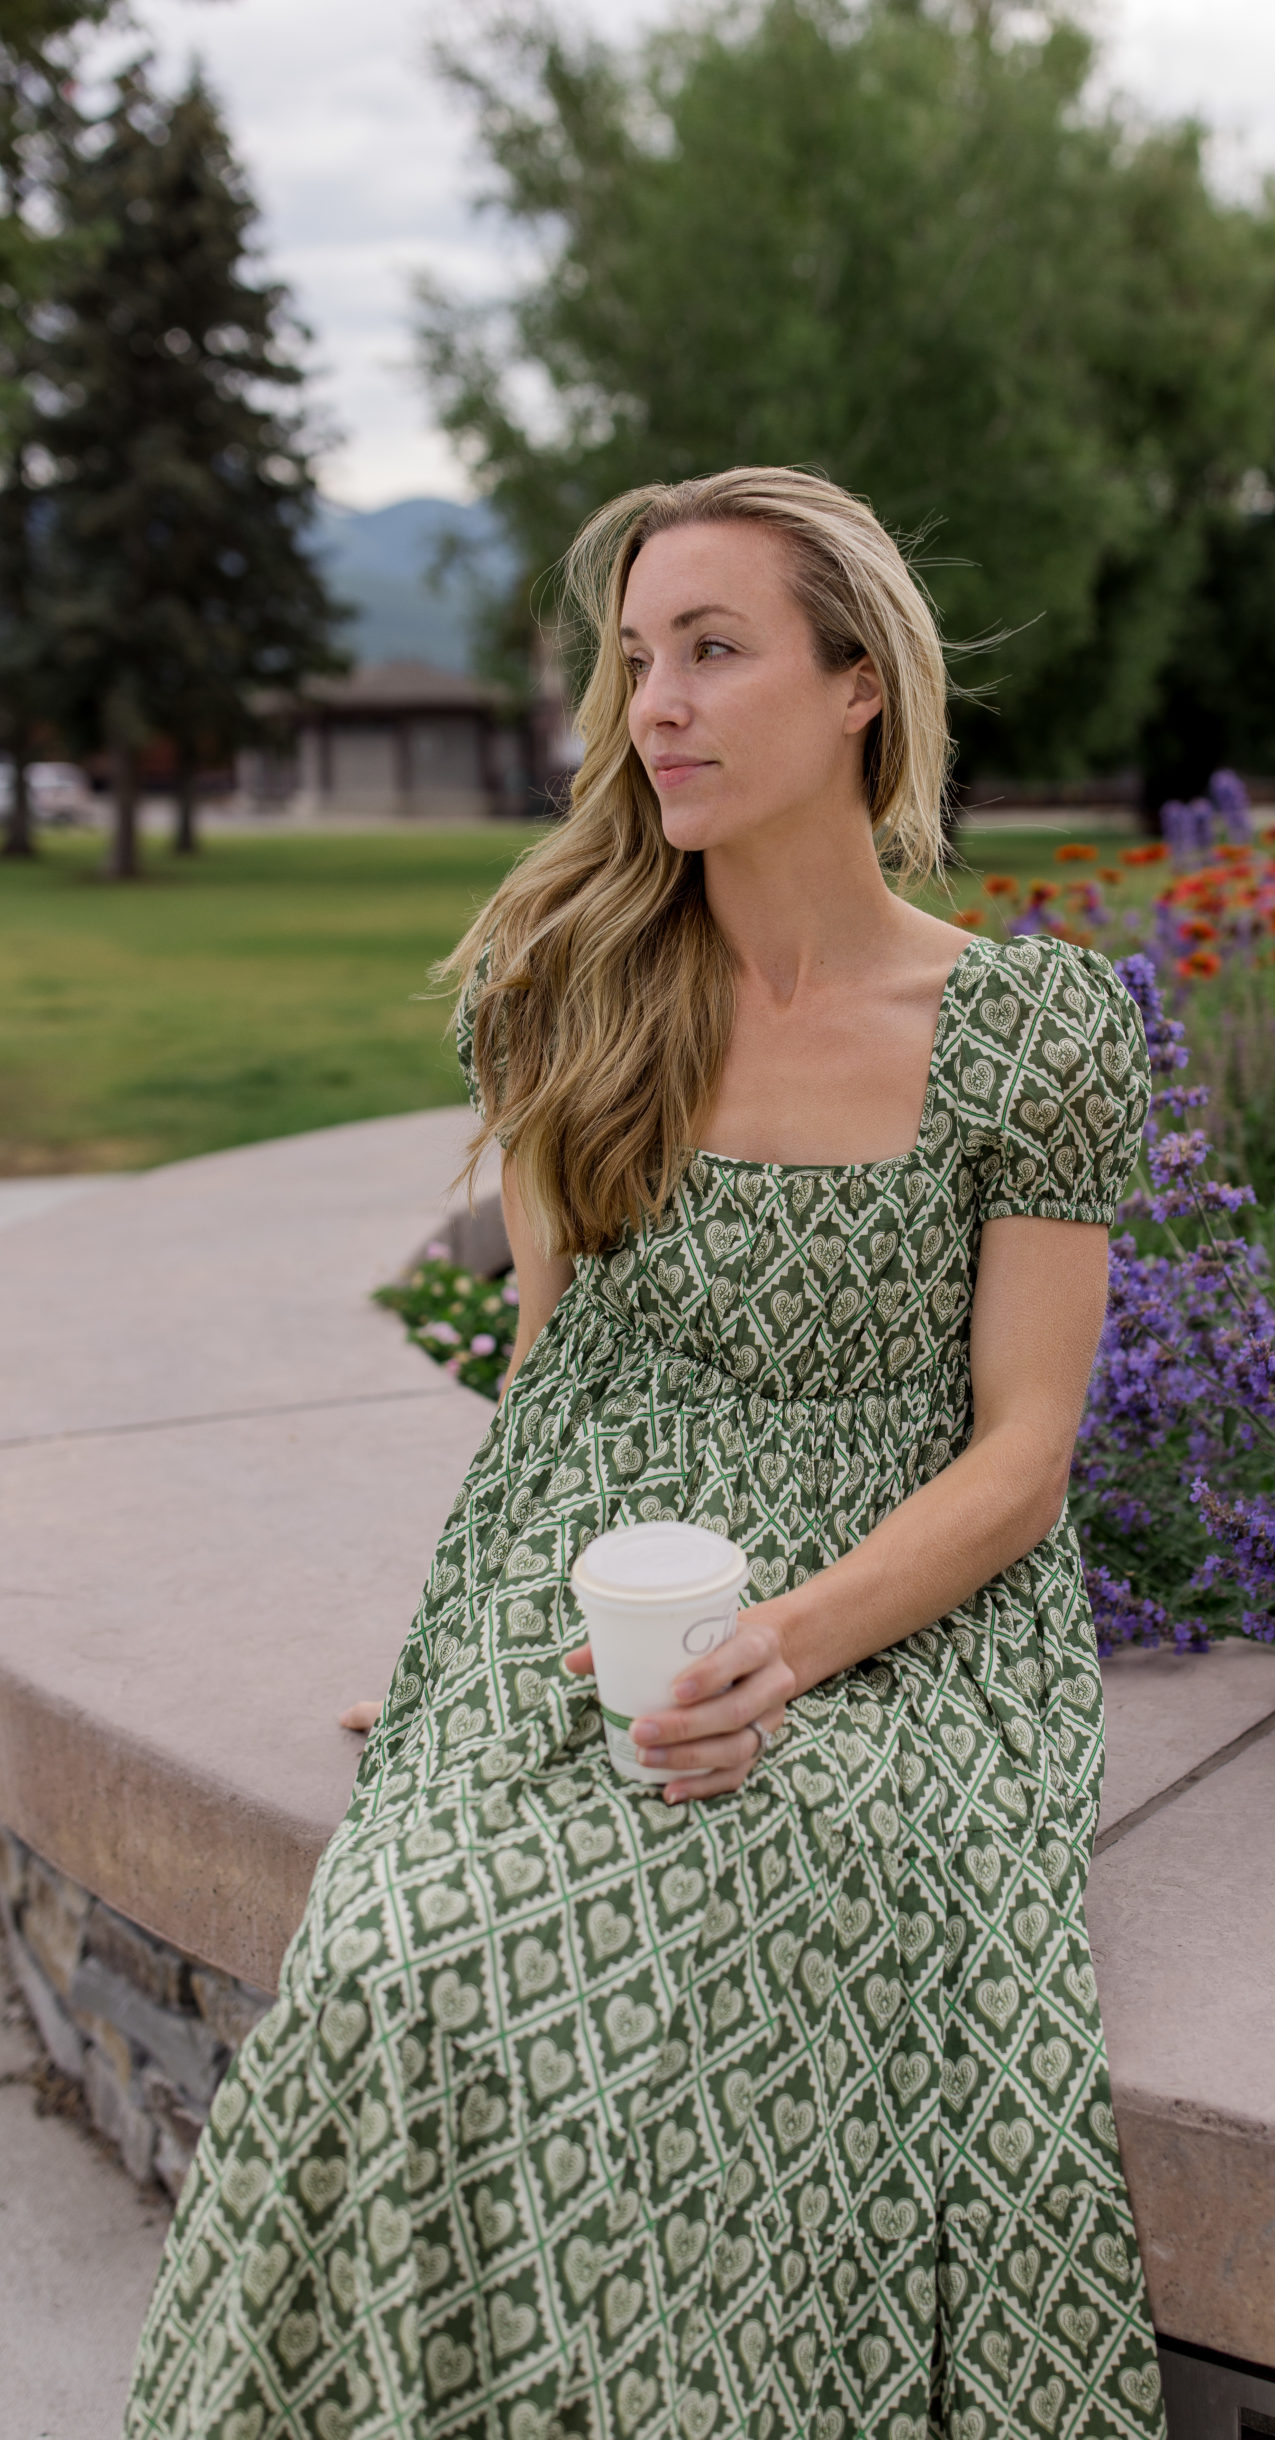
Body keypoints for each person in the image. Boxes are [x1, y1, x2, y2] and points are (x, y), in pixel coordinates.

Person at [127, 467, 1165, 2440]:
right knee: (392, 1968)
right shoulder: (566, 986)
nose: (654, 704)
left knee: (789, 1882)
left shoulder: (1027, 1025)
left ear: (858, 682)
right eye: (632, 662)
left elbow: (1025, 1447)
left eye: (711, 650)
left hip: (910, 1592)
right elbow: (555, 1366)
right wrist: (472, 1653)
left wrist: (792, 1638)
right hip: (604, 1562)